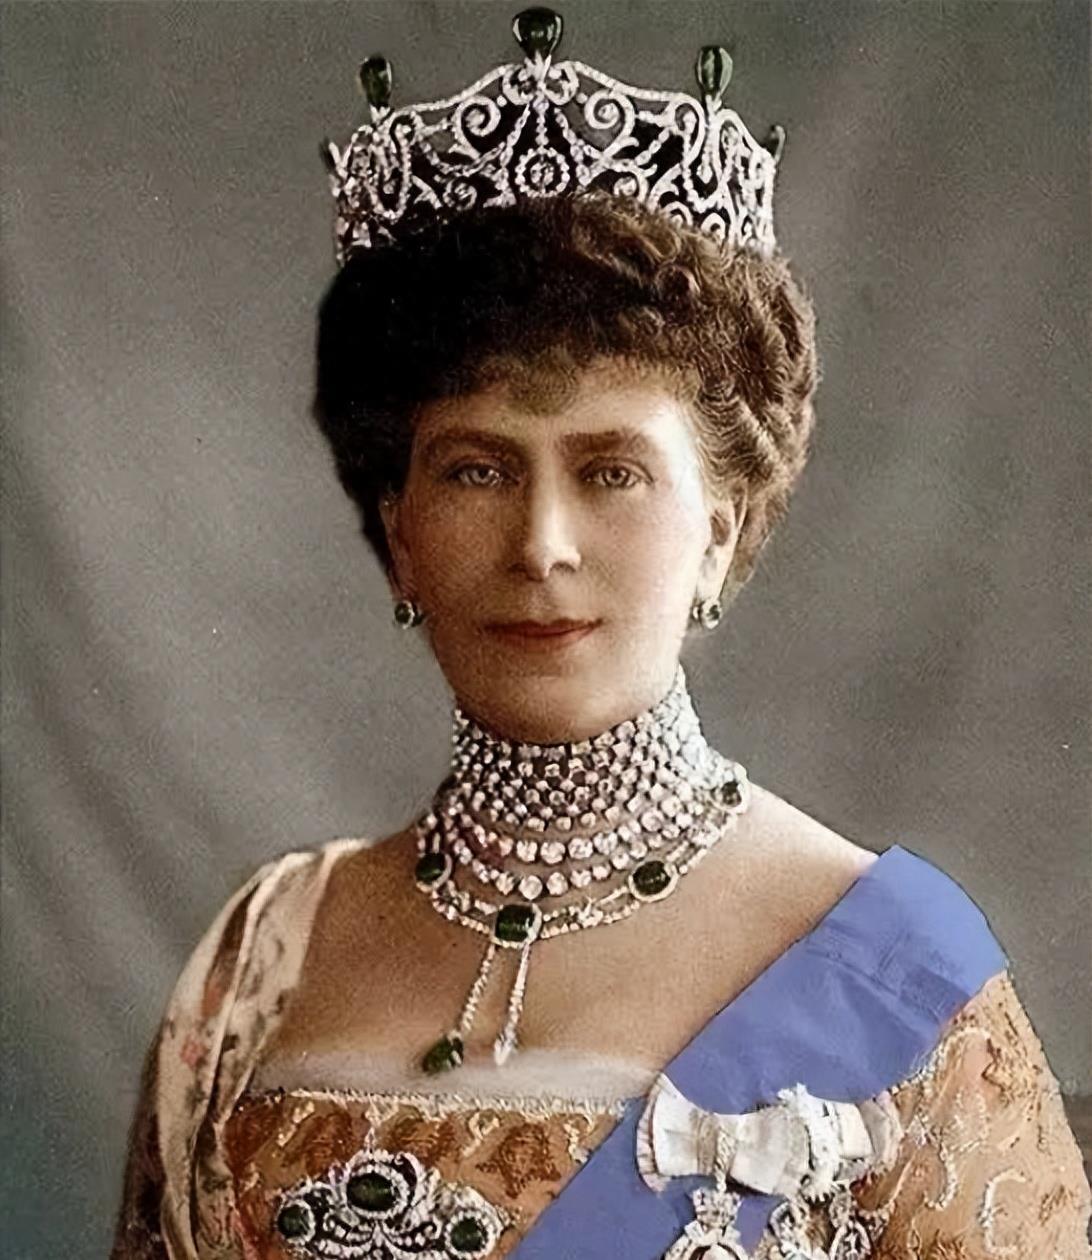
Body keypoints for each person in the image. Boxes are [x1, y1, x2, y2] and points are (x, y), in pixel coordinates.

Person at [111, 10, 1090, 1258]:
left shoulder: (896, 975)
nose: (541, 545)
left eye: (611, 472)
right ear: (399, 532)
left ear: (721, 532)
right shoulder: (262, 959)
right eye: (476, 470)